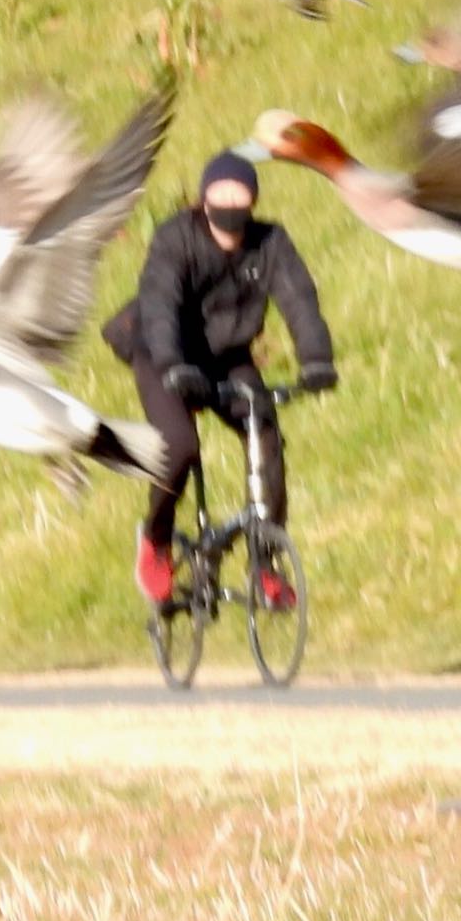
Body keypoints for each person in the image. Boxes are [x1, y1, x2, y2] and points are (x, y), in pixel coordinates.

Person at [102, 149, 337, 608]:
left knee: (264, 433)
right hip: (161, 352)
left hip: (226, 357)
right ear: (203, 201)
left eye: (239, 195)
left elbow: (299, 299)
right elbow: (160, 303)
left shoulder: (270, 243)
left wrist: (316, 360)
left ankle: (266, 562)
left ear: (252, 201)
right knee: (180, 445)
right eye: (219, 195)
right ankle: (156, 539)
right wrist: (172, 365)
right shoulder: (176, 239)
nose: (229, 206)